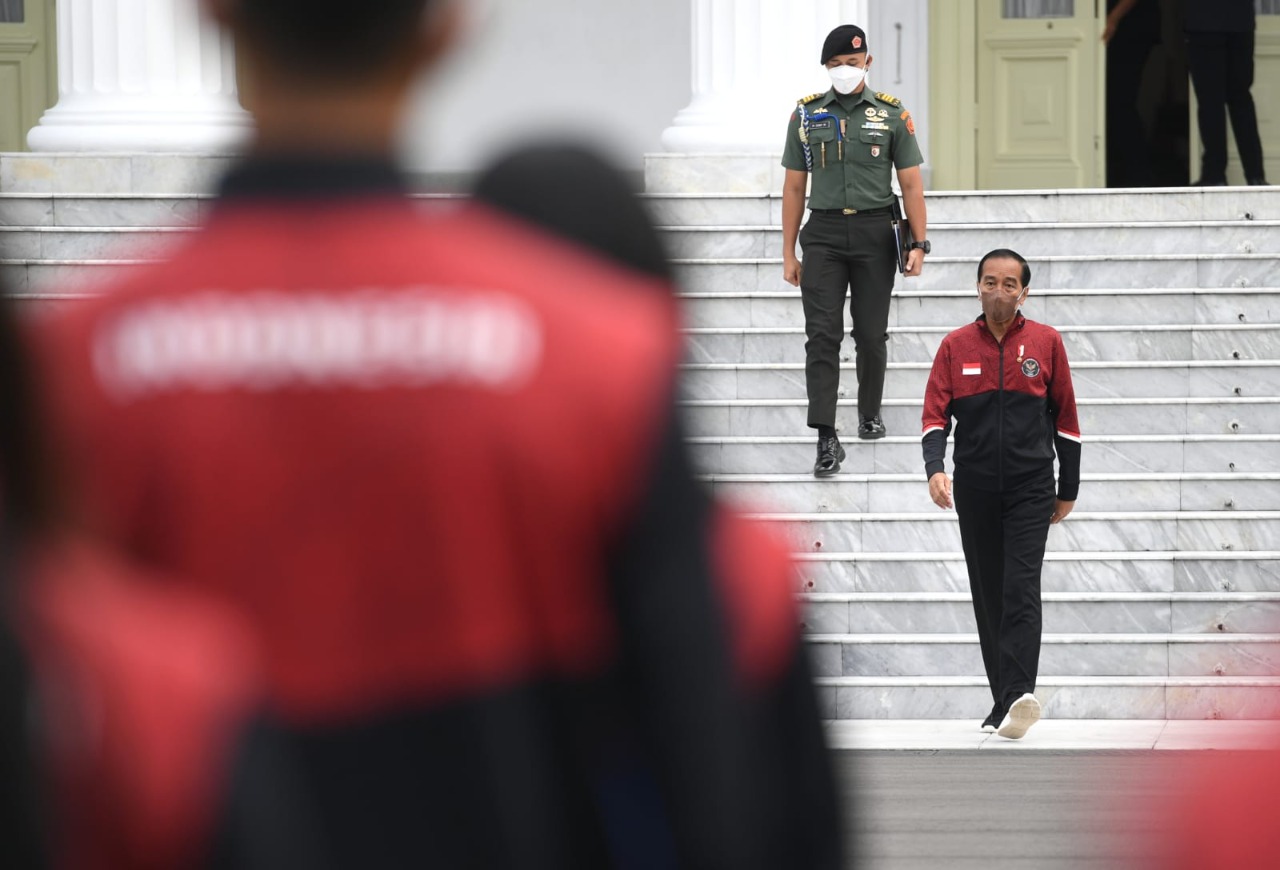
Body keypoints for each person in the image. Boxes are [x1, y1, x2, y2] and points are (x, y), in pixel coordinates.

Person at [32, 1, 843, 867]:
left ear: (210, 14)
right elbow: (704, 775)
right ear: (446, 30)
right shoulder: (595, 359)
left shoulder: (69, 368)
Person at [921, 249, 1081, 740]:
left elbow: (1067, 419)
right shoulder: (955, 346)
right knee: (989, 591)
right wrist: (935, 469)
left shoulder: (1046, 342)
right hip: (975, 489)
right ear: (978, 287)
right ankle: (1005, 702)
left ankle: (1018, 695)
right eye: (990, 281)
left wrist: (1068, 488)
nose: (999, 291)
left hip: (1031, 486)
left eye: (1009, 284)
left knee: (1020, 586)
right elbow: (934, 415)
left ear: (1023, 292)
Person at [781, 23, 928, 477]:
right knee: (821, 335)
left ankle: (869, 412)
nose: (844, 69)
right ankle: (826, 435)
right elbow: (794, 187)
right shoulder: (806, 116)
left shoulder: (892, 114)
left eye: (852, 62)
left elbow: (910, 183)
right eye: (835, 64)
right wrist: (788, 252)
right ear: (825, 67)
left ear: (868, 62)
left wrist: (919, 244)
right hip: (823, 234)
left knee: (870, 333)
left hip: (875, 233)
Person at [1185, 0, 1268, 186]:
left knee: (1211, 102)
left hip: (1204, 21)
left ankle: (1214, 174)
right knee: (1241, 100)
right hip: (1240, 21)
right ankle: (1255, 174)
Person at [1102, 0, 1161, 188]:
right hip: (1115, 27)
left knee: (1119, 101)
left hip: (1130, 27)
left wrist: (1112, 18)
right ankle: (1128, 171)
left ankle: (1139, 175)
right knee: (1114, 102)